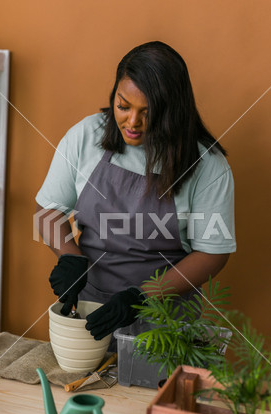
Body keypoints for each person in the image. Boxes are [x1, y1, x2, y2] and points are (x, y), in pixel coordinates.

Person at [35, 41, 236, 344]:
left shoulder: (207, 164)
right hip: (90, 313)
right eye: (123, 106)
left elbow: (212, 253)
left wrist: (141, 297)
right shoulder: (86, 136)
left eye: (147, 112)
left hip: (165, 319)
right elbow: (48, 211)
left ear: (172, 110)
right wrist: (69, 258)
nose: (132, 122)